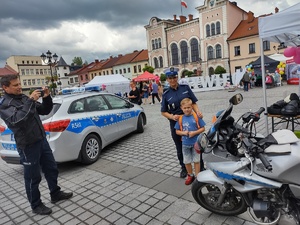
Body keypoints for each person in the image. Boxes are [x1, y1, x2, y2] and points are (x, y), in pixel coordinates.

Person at [0, 74, 73, 215]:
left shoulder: (23, 98)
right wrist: (31, 100)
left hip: (41, 140)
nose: (19, 87)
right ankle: (36, 205)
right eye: (15, 85)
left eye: (19, 84)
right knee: (33, 177)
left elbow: (45, 110)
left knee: (51, 168)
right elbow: (17, 120)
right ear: (5, 87)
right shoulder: (5, 104)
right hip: (27, 145)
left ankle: (55, 193)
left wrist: (46, 97)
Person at [161, 67, 203, 178]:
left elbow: (193, 103)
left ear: (177, 77)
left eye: (174, 77)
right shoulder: (166, 94)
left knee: (197, 144)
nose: (172, 80)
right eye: (170, 78)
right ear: (167, 79)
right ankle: (184, 168)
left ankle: (200, 166)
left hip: (191, 120)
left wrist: (198, 112)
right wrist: (171, 116)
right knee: (180, 147)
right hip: (177, 123)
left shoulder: (185, 88)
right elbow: (163, 112)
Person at [175, 98, 205, 185]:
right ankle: (190, 175)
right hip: (185, 144)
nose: (187, 109)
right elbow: (177, 131)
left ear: (192, 107)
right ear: (181, 108)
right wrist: (184, 133)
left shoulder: (196, 117)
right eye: (185, 108)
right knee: (187, 161)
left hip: (196, 144)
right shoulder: (180, 119)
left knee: (197, 161)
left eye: (189, 107)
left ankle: (197, 176)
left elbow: (203, 128)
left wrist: (194, 132)